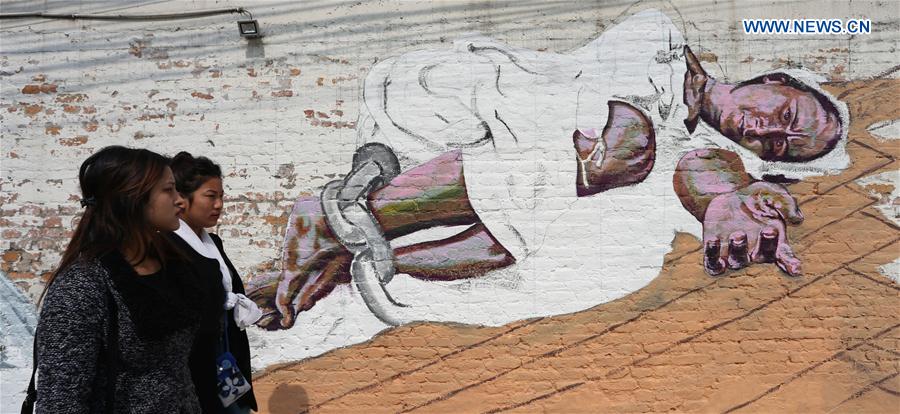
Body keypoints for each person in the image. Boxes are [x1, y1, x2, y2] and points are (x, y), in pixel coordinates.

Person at [248, 8, 849, 331]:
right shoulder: (661, 36)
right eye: (786, 113)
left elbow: (705, 171)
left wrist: (722, 203)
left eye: (782, 149)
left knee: (534, 237)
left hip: (467, 148)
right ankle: (345, 217)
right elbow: (615, 122)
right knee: (594, 163)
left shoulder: (693, 149)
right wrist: (619, 149)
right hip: (447, 94)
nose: (772, 132)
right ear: (773, 80)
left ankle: (354, 260)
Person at [32, 146, 202, 413]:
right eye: (168, 190)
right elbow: (60, 401)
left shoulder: (174, 266)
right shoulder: (82, 287)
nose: (180, 200)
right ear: (132, 199)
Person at [168, 152, 260, 414]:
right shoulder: (169, 246)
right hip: (197, 362)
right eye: (210, 196)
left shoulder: (214, 244)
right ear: (182, 199)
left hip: (226, 357)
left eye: (221, 197)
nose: (218, 204)